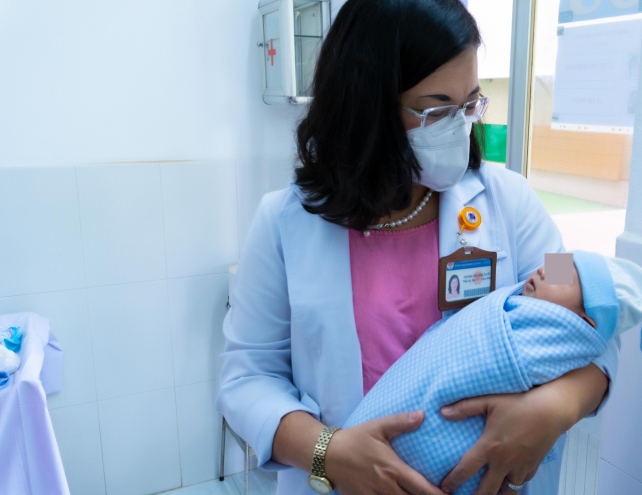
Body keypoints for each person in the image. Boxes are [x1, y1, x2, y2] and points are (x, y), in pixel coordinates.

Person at [216, 1, 620, 494]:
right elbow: (247, 379)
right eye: (436, 109)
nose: (459, 126)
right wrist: (329, 452)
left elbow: (587, 313)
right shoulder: (282, 223)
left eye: (469, 104)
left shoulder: (513, 202)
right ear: (368, 106)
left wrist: (558, 405)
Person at [344, 252, 642, 494]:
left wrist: (558, 405)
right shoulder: (550, 287)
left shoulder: (561, 330)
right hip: (345, 449)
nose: (544, 270)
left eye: (564, 277)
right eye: (554, 265)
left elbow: (605, 343)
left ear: (583, 323)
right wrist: (327, 451)